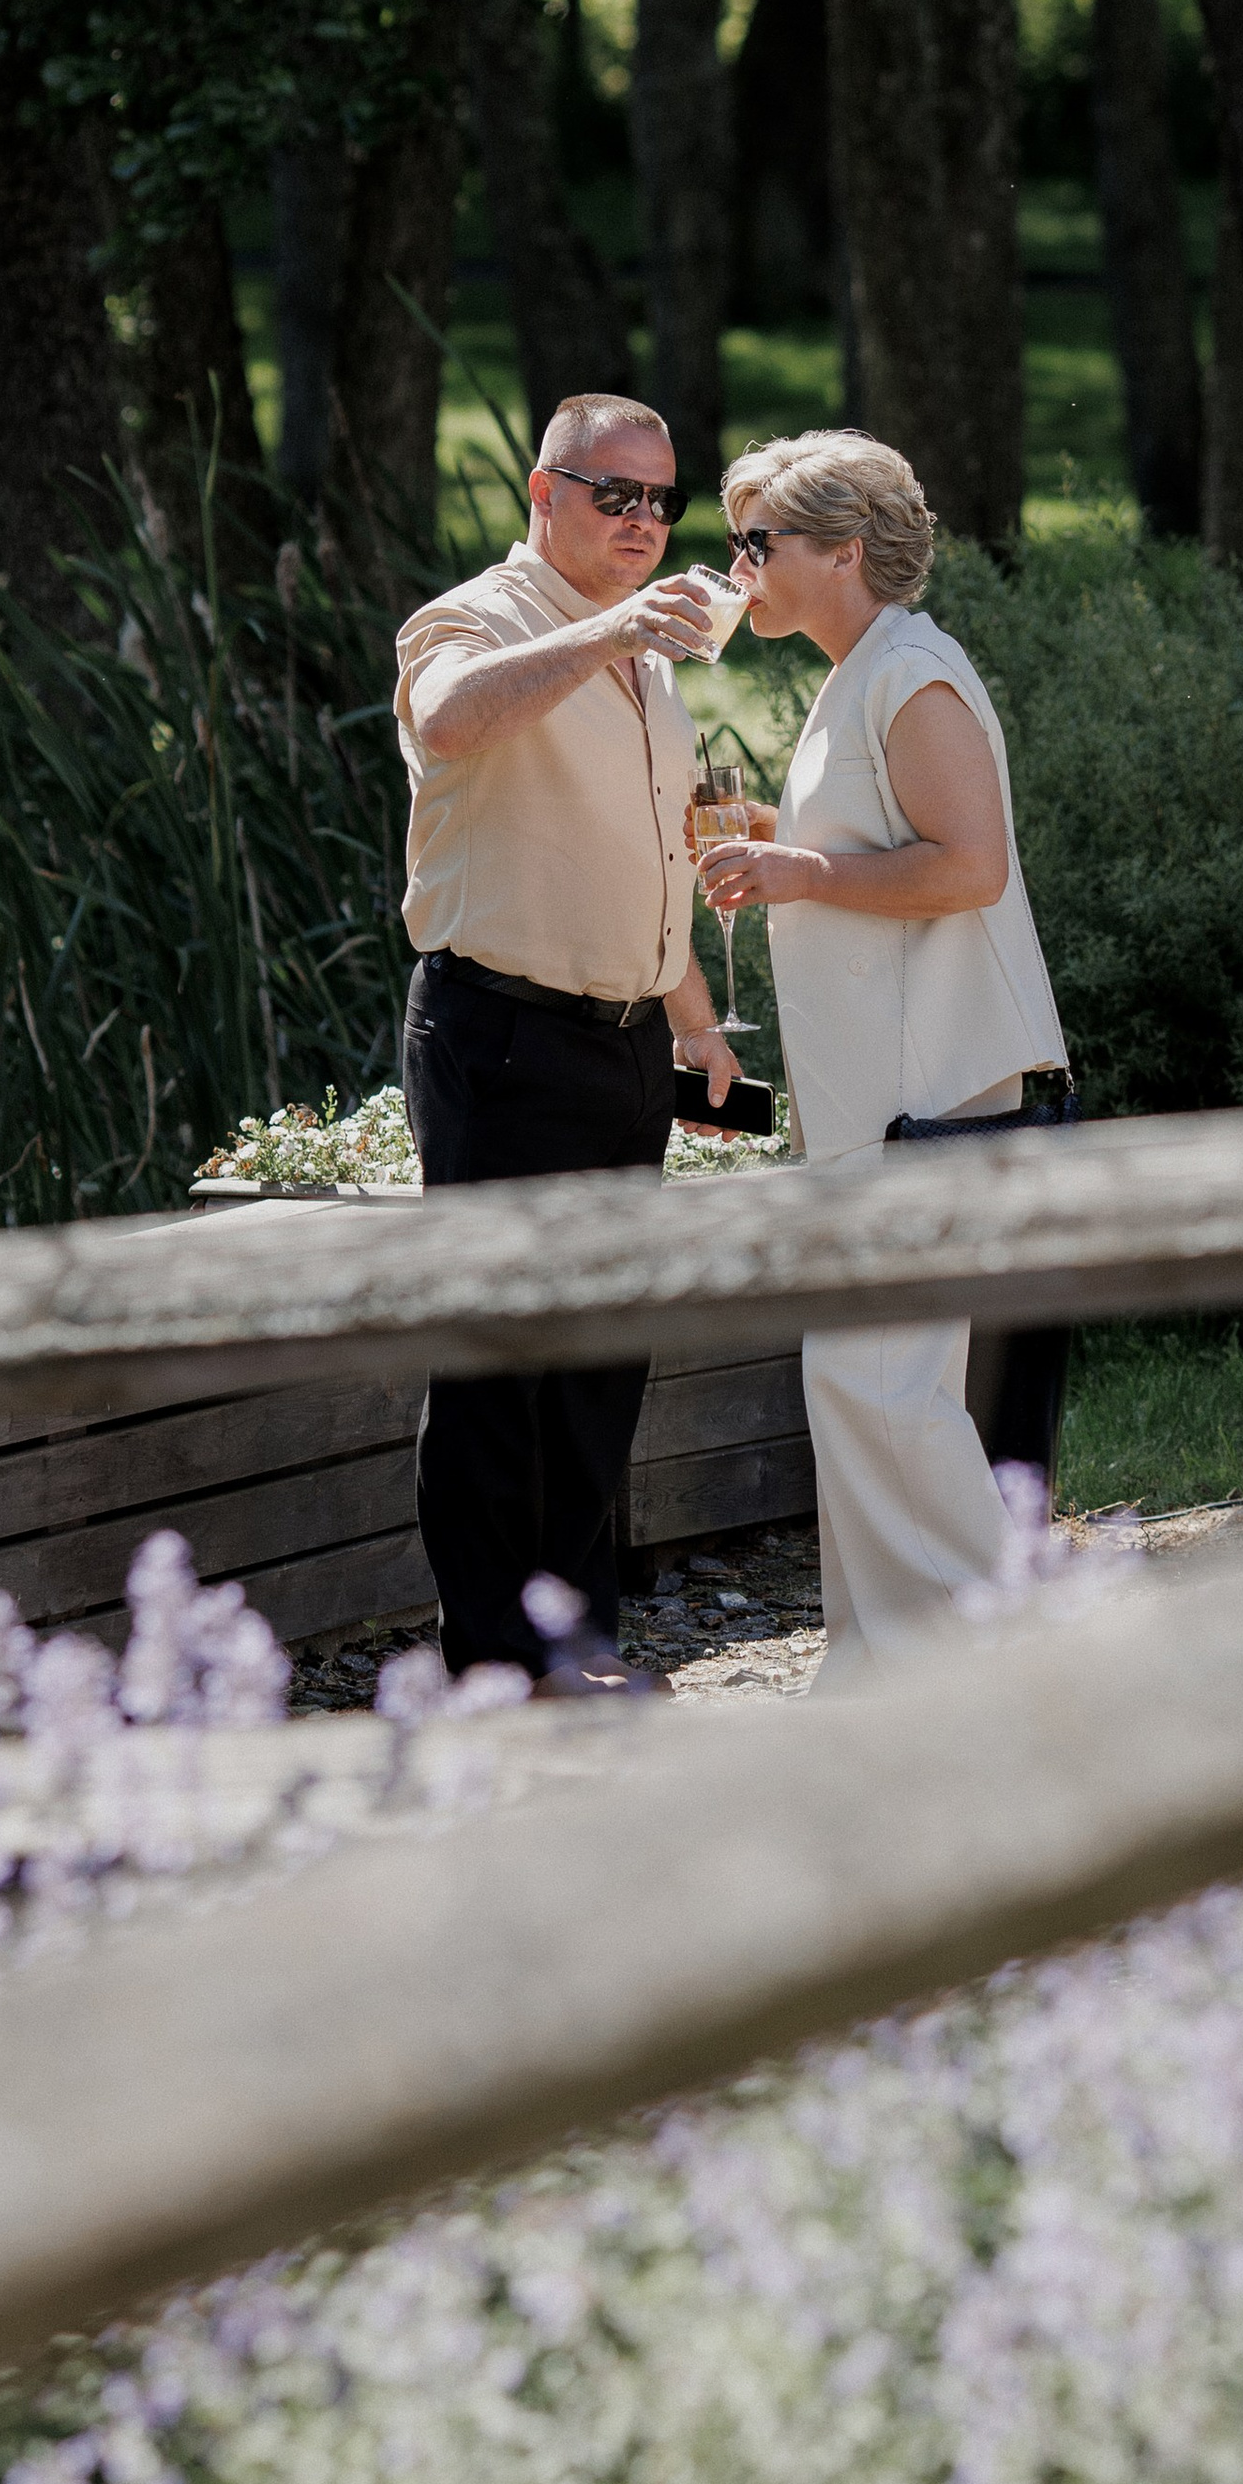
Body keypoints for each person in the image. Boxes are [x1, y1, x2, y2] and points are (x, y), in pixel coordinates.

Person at [696, 429, 1067, 1683]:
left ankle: (995, 1666)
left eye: (760, 543)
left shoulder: (911, 671)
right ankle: (878, 1668)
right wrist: (778, 840)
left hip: (932, 1093)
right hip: (881, 1097)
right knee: (860, 1378)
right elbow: (875, 849)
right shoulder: (860, 670)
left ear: (844, 552)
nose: (737, 564)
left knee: (881, 1383)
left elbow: (971, 866)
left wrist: (801, 867)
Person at [394, 391, 739, 1683]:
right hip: (501, 1034)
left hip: (627, 1040)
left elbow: (643, 858)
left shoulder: (647, 655)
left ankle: (581, 1645)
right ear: (545, 495)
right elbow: (447, 719)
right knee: (496, 1363)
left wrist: (697, 1023)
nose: (645, 521)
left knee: (602, 1358)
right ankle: (495, 1667)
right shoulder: (479, 617)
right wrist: (605, 632)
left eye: (662, 499)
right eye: (616, 494)